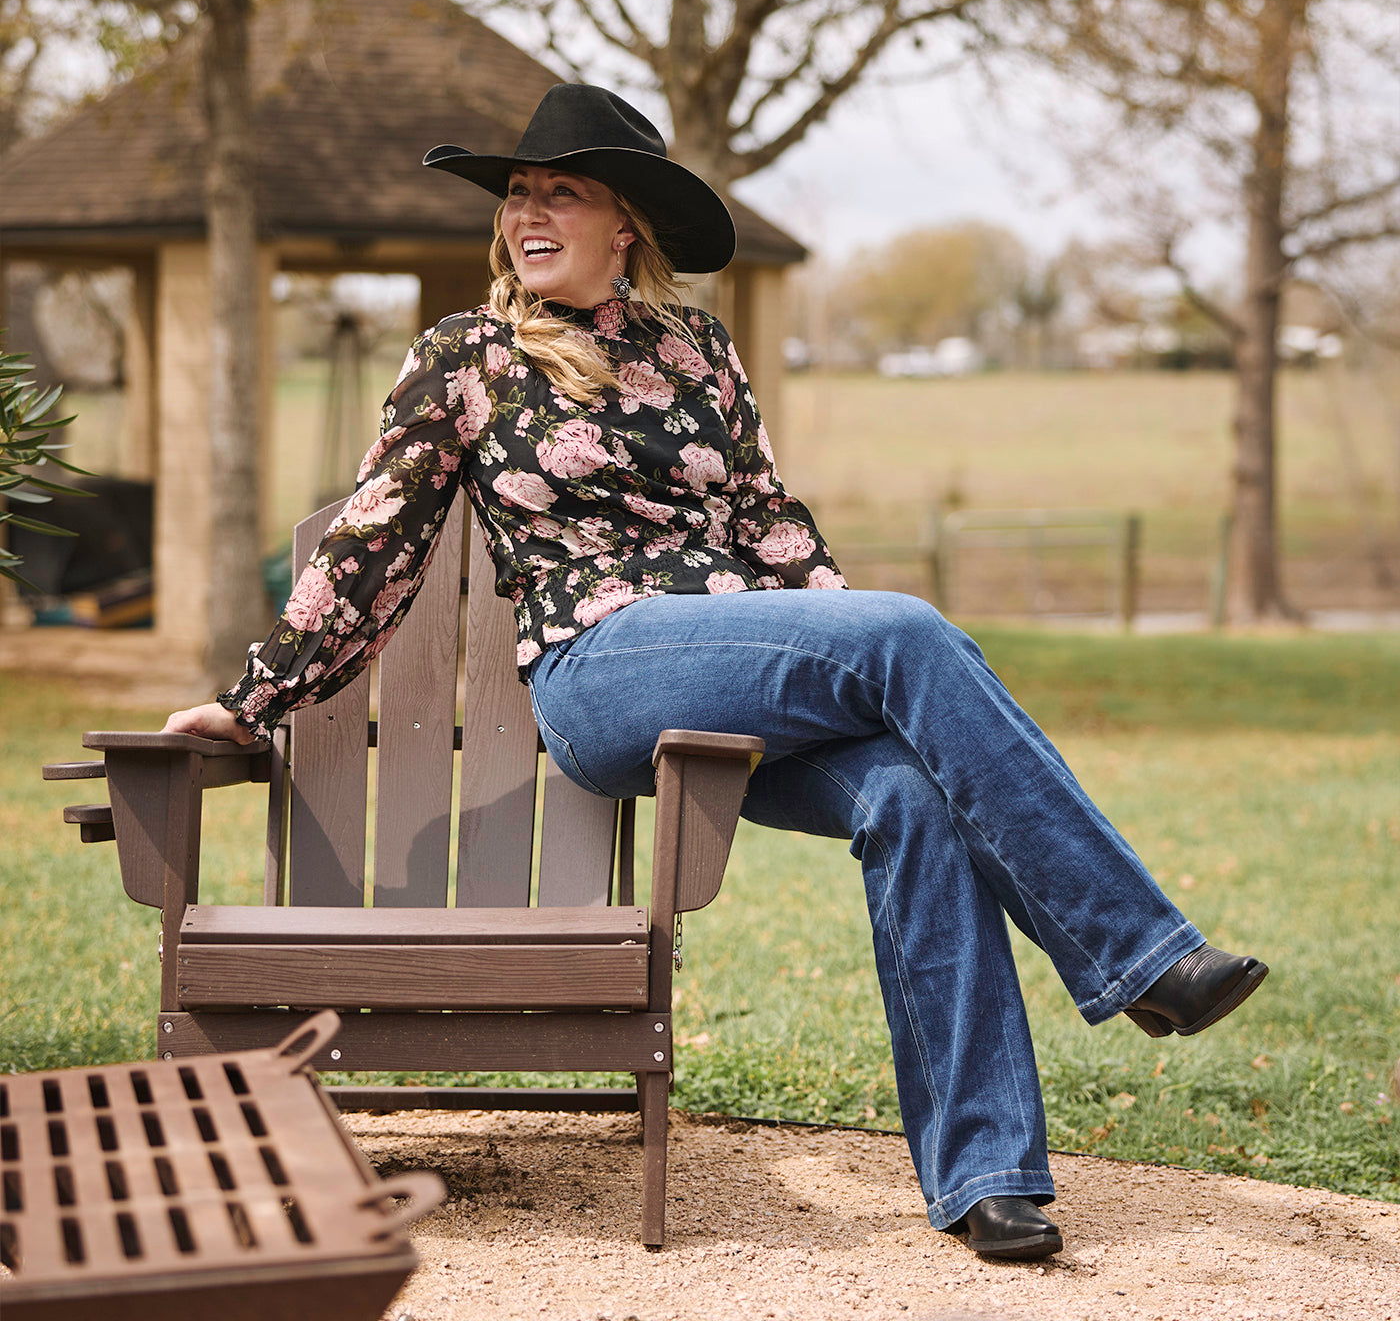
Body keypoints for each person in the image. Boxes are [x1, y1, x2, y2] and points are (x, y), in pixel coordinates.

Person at [166, 83, 1268, 1261]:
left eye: (562, 192)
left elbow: (771, 528)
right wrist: (252, 700)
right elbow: (372, 538)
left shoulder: (698, 351)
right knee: (906, 634)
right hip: (600, 673)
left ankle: (987, 1171)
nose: (529, 213)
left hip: (737, 668)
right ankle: (1136, 953)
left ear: (623, 222)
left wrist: (845, 652)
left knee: (913, 793)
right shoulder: (469, 356)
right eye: (519, 196)